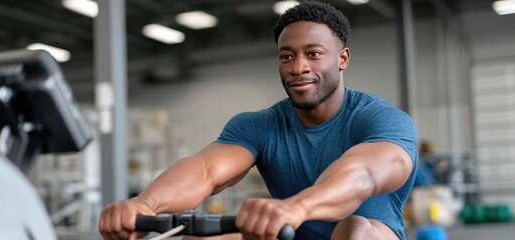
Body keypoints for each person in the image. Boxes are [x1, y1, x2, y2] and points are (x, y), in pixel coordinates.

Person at [99, 1, 417, 239]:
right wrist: (145, 204)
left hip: (364, 235)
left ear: (342, 58)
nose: (298, 67)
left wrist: (296, 207)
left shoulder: (383, 120)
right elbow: (205, 171)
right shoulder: (259, 125)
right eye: (286, 56)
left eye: (314, 54)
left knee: (355, 229)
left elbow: (362, 174)